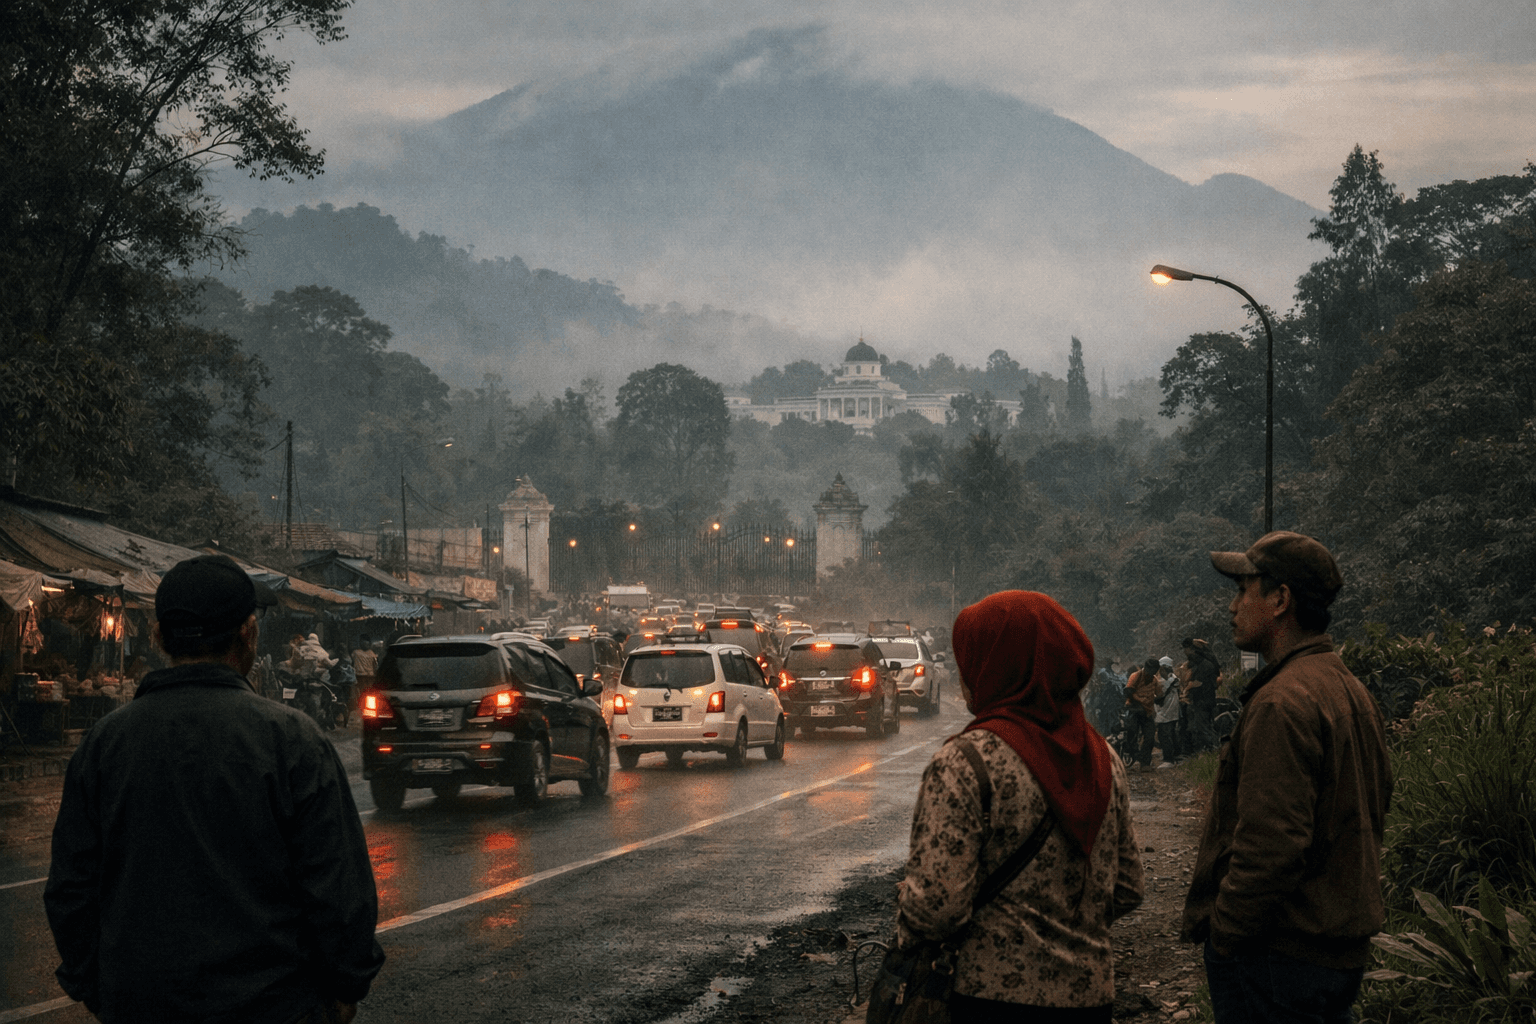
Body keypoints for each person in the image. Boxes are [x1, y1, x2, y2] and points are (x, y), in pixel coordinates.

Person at [45, 554, 385, 1023]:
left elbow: (70, 890)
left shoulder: (104, 744)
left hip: (142, 1005)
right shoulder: (293, 739)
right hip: (276, 1005)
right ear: (248, 634)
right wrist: (346, 985)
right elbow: (338, 886)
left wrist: (99, 989)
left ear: (158, 636)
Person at [895, 590, 1144, 1022]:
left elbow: (935, 908)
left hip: (986, 998)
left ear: (999, 667)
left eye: (972, 658)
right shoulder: (1104, 759)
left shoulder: (965, 763)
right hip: (1090, 999)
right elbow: (1127, 888)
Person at [1182, 531, 1392, 1024]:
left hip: (1280, 952)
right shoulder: (1347, 686)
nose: (1233, 607)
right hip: (1335, 946)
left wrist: (1226, 934)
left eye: (1243, 590)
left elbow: (1271, 844)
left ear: (1280, 600)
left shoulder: (1282, 701)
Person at [1179, 637, 1221, 752]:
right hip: (1202, 701)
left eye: (1186, 649)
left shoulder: (1204, 665)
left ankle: (1211, 751)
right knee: (1201, 727)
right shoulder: (1200, 664)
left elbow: (1198, 683)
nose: (1184, 652)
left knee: (1202, 728)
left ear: (1192, 650)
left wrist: (1188, 688)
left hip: (1203, 701)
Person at [1123, 657, 1160, 769]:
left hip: (1147, 712)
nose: (1151, 674)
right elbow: (1129, 691)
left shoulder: (1154, 681)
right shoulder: (1135, 676)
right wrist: (1140, 699)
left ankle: (1145, 763)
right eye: (1149, 671)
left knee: (1149, 736)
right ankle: (1133, 753)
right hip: (1134, 709)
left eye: (1153, 672)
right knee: (1132, 732)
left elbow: (1159, 695)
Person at [1154, 655, 1182, 765]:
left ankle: (1168, 759)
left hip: (1167, 712)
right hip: (1168, 712)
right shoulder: (1171, 679)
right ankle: (1176, 756)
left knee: (1164, 735)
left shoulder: (1170, 680)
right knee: (1172, 734)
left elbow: (1159, 695)